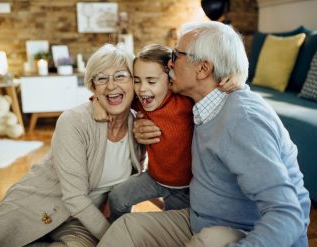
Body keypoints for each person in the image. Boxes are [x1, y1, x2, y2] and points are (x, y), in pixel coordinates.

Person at [97, 21, 311, 247]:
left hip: (237, 232)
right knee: (126, 229)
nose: (169, 63)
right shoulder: (199, 101)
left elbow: (287, 214)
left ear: (203, 68)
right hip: (199, 219)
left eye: (176, 55)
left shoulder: (243, 120)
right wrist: (108, 108)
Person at [0, 44, 145, 247]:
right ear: (93, 87)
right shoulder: (74, 121)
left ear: (134, 82)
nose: (111, 85)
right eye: (101, 78)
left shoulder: (139, 126)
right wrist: (114, 238)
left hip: (81, 222)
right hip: (34, 207)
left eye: (121, 76)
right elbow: (75, 197)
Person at [93, 44, 241, 222]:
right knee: (117, 197)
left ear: (171, 80)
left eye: (151, 81)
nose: (141, 89)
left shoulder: (186, 101)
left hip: (189, 186)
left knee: (171, 224)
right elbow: (114, 96)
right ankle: (115, 229)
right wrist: (96, 101)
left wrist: (237, 76)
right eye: (137, 80)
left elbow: (216, 88)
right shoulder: (140, 101)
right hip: (155, 177)